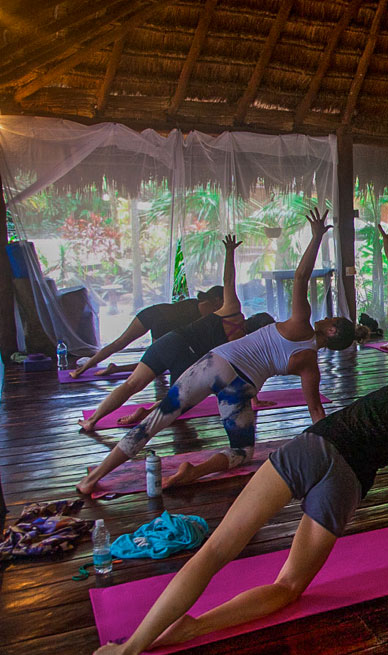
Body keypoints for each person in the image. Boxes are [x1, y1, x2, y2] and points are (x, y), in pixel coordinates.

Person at [90, 211, 388, 655]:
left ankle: (129, 651)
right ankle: (195, 626)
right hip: (347, 485)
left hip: (315, 448)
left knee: (216, 551)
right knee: (289, 586)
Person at [76, 208, 368, 494]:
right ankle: (195, 471)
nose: (325, 317)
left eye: (331, 319)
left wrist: (316, 237)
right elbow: (316, 411)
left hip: (216, 364)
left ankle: (93, 479)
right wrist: (334, 452)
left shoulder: (301, 325)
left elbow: (301, 276)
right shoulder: (310, 366)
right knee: (241, 452)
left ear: (332, 331)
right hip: (240, 389)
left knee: (155, 421)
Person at [76, 236, 274, 432]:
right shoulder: (239, 343)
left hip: (169, 340)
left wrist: (230, 252)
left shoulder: (231, 310)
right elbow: (244, 375)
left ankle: (92, 420)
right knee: (180, 399)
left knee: (131, 384)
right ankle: (146, 412)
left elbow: (228, 280)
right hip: (185, 355)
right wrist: (255, 401)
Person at [69, 286, 224, 379]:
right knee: (158, 362)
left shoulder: (198, 302)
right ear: (217, 299)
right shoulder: (209, 308)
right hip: (163, 323)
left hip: (152, 312)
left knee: (119, 342)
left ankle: (81, 370)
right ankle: (115, 369)